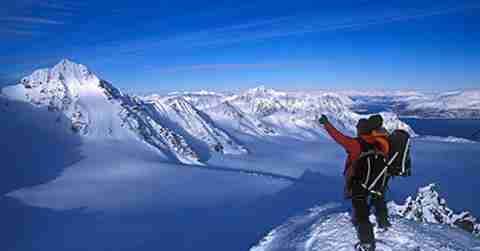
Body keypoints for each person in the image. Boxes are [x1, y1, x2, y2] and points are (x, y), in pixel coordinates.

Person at [318, 114, 392, 251]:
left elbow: (338, 137)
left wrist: (326, 124)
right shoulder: (381, 142)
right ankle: (384, 223)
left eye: (358, 128)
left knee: (361, 211)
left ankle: (367, 242)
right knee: (378, 199)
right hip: (377, 181)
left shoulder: (355, 144)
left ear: (361, 130)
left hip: (359, 183)